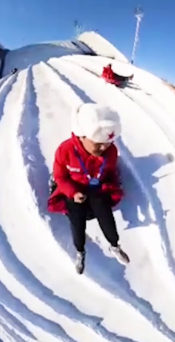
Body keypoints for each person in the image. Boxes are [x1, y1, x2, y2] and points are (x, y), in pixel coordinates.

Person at [48, 103, 130, 274]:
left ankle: (114, 244)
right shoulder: (65, 150)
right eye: (98, 144)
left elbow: (109, 171)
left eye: (107, 143)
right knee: (76, 217)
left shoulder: (110, 151)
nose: (104, 148)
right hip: (74, 188)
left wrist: (110, 186)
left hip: (96, 187)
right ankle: (80, 250)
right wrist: (73, 192)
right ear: (82, 136)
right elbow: (60, 176)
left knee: (104, 210)